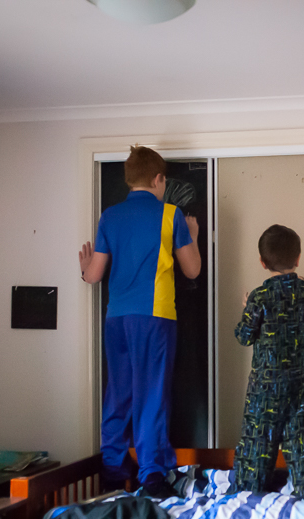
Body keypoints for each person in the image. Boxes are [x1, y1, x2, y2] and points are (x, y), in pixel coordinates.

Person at [78, 145, 200, 499]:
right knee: (151, 394)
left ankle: (114, 470)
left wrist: (84, 266)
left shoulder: (109, 217)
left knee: (118, 392)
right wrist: (191, 235)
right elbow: (192, 269)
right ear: (159, 179)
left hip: (116, 318)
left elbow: (93, 275)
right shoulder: (171, 215)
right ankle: (152, 474)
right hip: (155, 317)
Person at [232, 224, 304, 498]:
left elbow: (244, 337)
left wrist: (247, 309)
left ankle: (249, 491)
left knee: (259, 438)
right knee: (299, 436)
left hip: (266, 385)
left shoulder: (260, 296)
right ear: (298, 258)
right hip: (302, 380)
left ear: (263, 262)